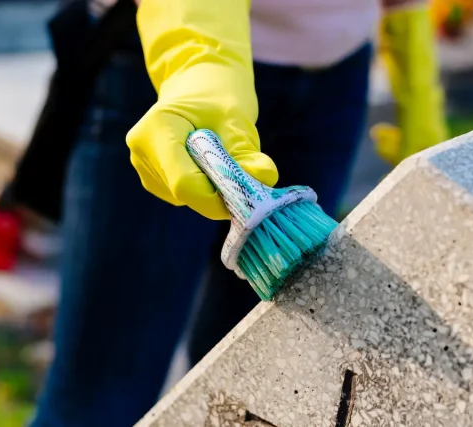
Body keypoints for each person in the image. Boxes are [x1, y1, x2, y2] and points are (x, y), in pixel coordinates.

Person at [30, 0, 447, 425]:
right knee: (100, 398)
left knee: (246, 394)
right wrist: (198, 61)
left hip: (336, 78)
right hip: (167, 76)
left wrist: (418, 90)